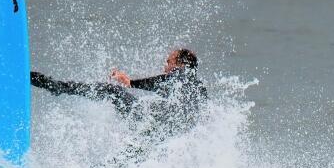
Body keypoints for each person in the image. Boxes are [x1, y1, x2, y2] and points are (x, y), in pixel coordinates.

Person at [31, 48, 207, 138]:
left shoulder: (182, 76)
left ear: (180, 65)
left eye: (169, 62)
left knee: (112, 90)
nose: (165, 66)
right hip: (164, 133)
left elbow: (167, 80)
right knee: (125, 159)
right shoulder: (199, 88)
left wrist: (130, 82)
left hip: (154, 124)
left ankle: (58, 87)